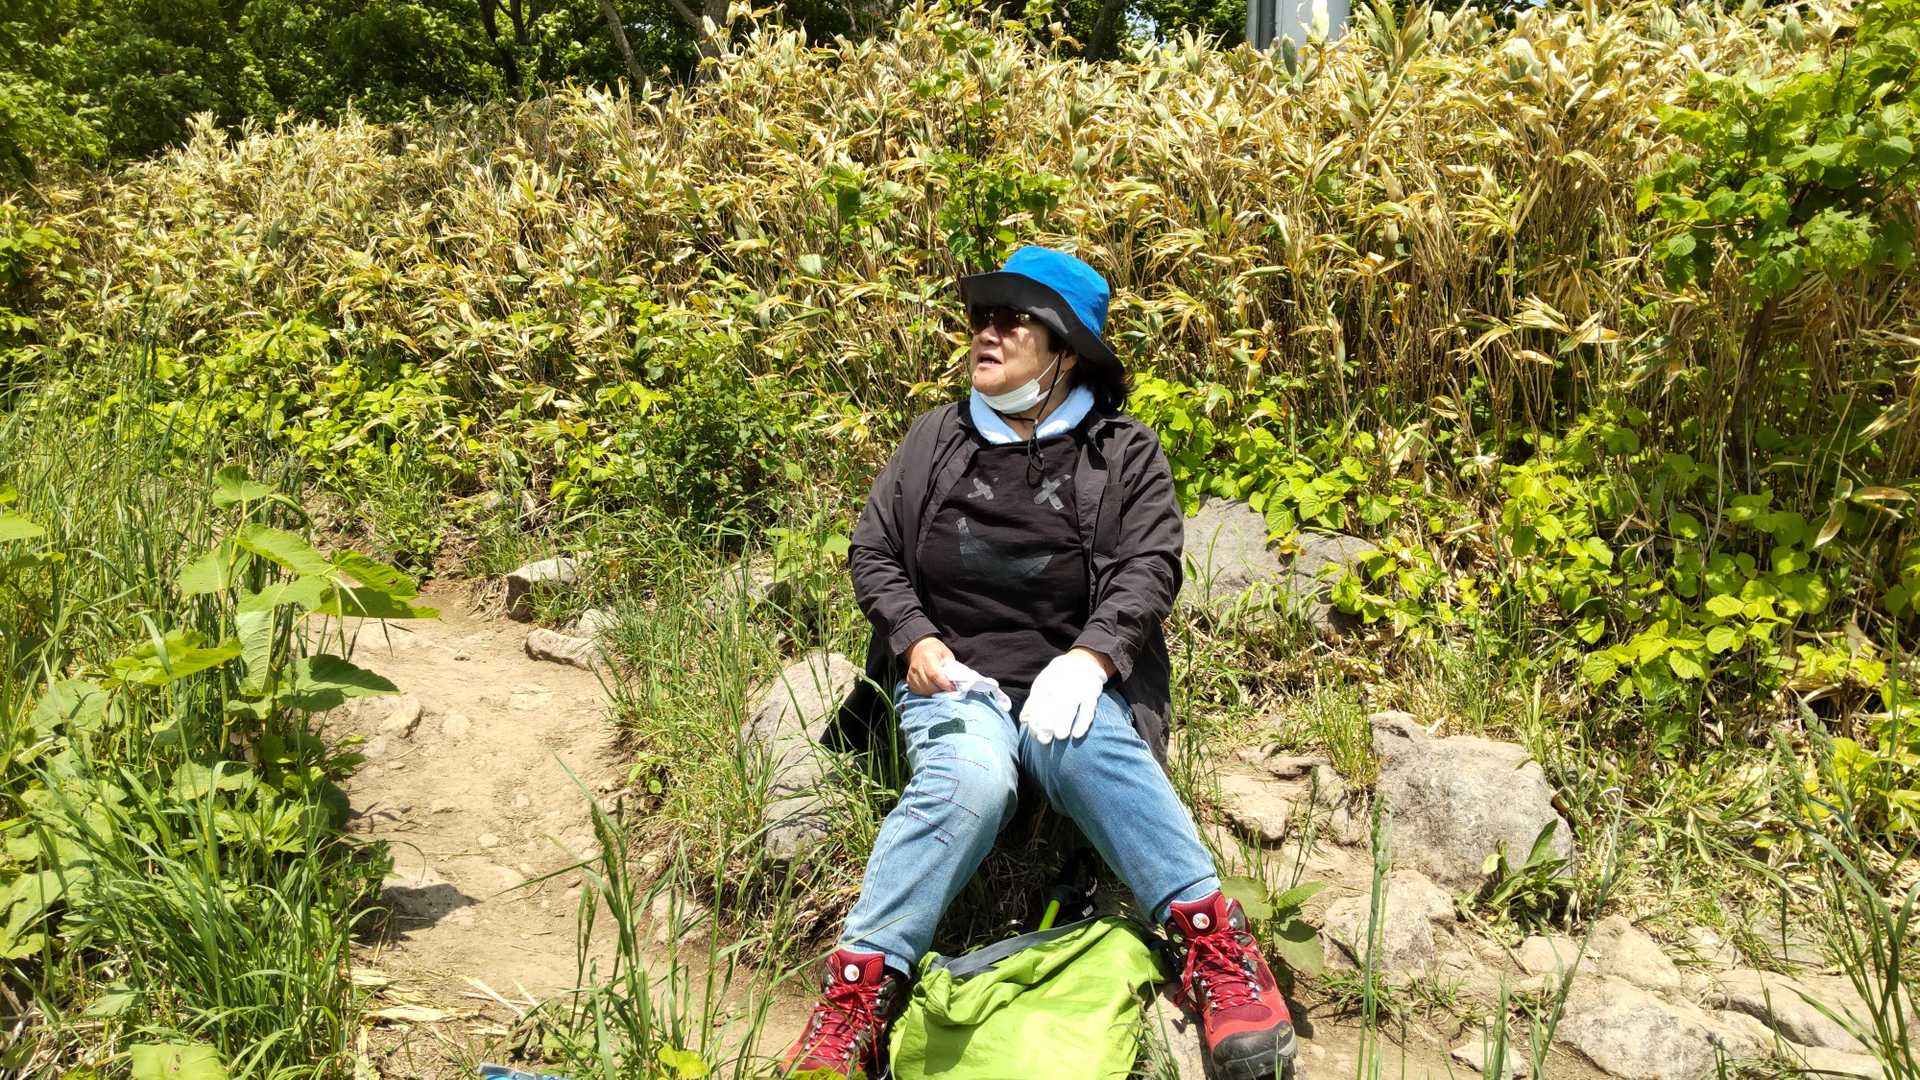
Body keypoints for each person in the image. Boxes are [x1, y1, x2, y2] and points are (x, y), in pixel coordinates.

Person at [783, 247, 1296, 1080]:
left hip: (1071, 686)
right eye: (981, 317)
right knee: (971, 778)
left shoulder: (1121, 449)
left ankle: (1216, 949)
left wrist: (1092, 659)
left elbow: (1151, 564)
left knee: (1086, 746)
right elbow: (873, 550)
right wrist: (916, 640)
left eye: (1014, 319)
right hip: (958, 682)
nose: (986, 333)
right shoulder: (937, 437)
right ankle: (857, 999)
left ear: (1067, 352)